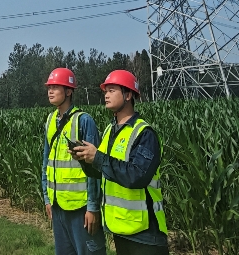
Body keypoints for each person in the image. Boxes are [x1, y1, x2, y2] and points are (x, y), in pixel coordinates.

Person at [70, 70, 168, 255]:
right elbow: (102, 172)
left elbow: (137, 176)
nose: (106, 95)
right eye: (105, 91)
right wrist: (85, 160)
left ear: (128, 95)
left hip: (146, 234)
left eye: (112, 90)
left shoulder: (144, 134)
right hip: (120, 229)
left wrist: (98, 158)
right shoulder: (110, 130)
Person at [41, 67, 106, 255]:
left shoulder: (84, 121)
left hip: (81, 208)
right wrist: (47, 198)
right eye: (49, 87)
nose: (50, 91)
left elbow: (94, 169)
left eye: (55, 87)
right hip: (58, 206)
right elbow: (46, 162)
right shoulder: (50, 120)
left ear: (69, 91)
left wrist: (93, 207)